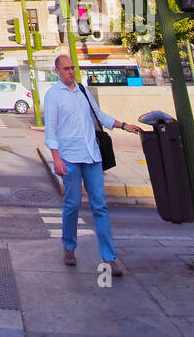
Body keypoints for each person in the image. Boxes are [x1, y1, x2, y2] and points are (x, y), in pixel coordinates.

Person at [44, 53, 140, 274]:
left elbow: (99, 116)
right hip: (69, 156)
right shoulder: (53, 96)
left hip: (92, 155)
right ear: (57, 71)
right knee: (72, 203)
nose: (71, 72)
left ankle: (109, 257)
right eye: (66, 68)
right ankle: (68, 246)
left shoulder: (83, 91)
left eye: (72, 68)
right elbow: (50, 130)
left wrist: (123, 125)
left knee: (100, 205)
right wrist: (56, 158)